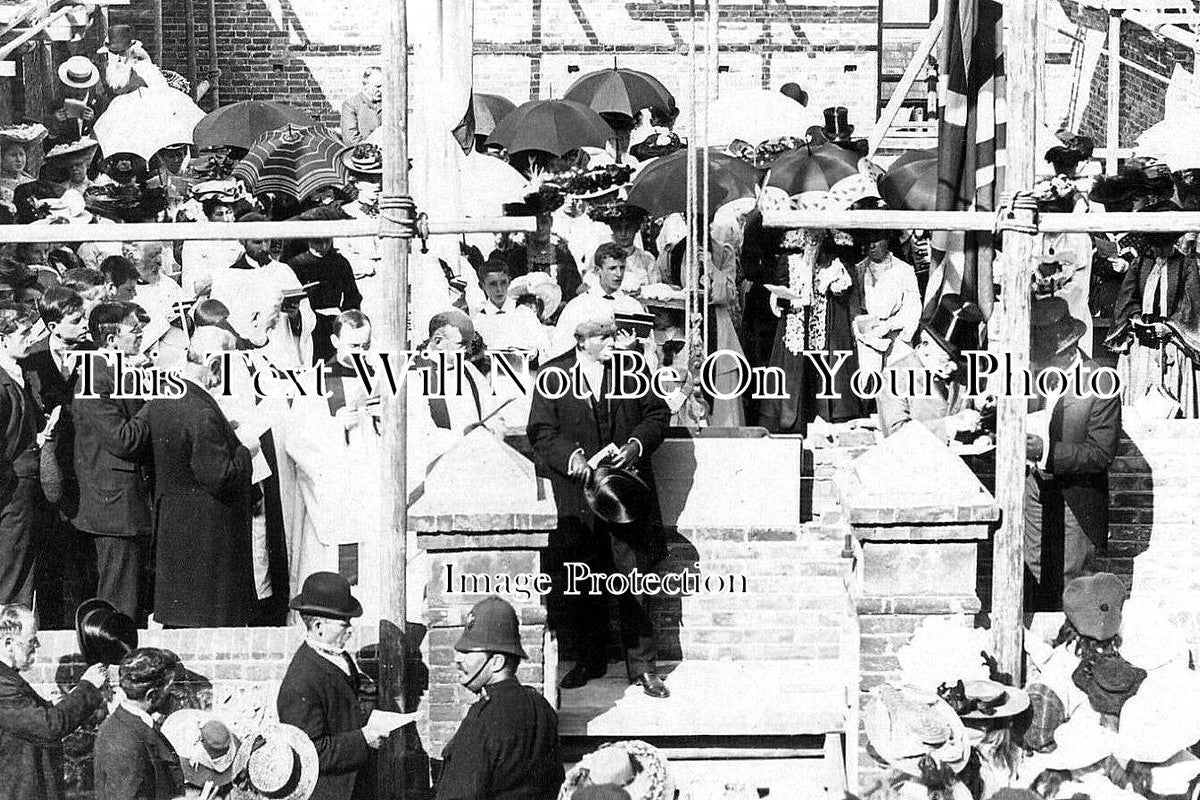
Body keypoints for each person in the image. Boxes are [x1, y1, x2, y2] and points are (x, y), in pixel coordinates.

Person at [528, 317, 671, 698]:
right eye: (602, 337)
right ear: (581, 340)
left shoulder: (633, 368)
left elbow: (657, 415)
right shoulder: (552, 374)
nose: (612, 343)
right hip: (581, 500)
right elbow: (542, 430)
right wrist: (574, 461)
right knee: (583, 580)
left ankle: (643, 667)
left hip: (625, 496)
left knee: (633, 578)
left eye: (611, 336)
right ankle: (588, 660)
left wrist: (635, 446)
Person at [131, 326, 258, 627]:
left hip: (175, 531)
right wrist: (244, 451)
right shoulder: (201, 411)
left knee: (182, 624)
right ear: (214, 365)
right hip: (209, 538)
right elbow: (219, 476)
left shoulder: (162, 399)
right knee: (211, 624)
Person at [1024, 297, 1121, 611]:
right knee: (1033, 569)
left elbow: (1100, 453)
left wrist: (1048, 451)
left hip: (1076, 497)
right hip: (1034, 490)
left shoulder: (1101, 382)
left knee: (1073, 577)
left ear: (1068, 352)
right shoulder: (1031, 376)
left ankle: (1075, 649)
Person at [436, 595, 565, 800]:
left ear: (496, 662)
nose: (458, 660)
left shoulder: (482, 719)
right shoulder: (540, 707)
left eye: (468, 652)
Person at [69, 302, 151, 619]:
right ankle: (113, 662)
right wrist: (154, 402)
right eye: (134, 328)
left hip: (126, 505)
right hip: (114, 508)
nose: (141, 333)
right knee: (119, 600)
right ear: (112, 339)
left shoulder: (119, 371)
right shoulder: (94, 376)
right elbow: (122, 439)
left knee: (126, 596)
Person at [277, 571, 387, 800]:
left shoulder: (340, 657)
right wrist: (363, 739)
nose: (350, 629)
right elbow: (312, 752)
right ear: (318, 626)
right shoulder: (300, 682)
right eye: (343, 623)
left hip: (355, 786)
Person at [0, 603, 108, 800]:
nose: (38, 646)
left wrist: (68, 698)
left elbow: (36, 716)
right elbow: (49, 725)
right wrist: (88, 686)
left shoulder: (7, 678)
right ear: (9, 643)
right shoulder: (2, 684)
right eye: (32, 640)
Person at [1106, 207, 1200, 417]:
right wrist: (1136, 319)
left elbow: (1191, 305)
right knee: (1139, 403)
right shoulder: (1140, 263)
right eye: (1155, 245)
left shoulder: (1186, 264)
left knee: (1171, 402)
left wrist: (1169, 328)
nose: (1158, 250)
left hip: (1173, 345)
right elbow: (1127, 298)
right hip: (1141, 345)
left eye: (1163, 245)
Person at [877, 294, 987, 443]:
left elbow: (975, 418)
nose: (953, 367)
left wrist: (982, 434)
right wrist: (947, 427)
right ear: (926, 343)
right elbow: (896, 434)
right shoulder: (894, 377)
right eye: (947, 357)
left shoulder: (961, 375)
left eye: (957, 360)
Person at [93, 647, 186, 800]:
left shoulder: (134, 723)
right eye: (169, 688)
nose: (172, 693)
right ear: (152, 694)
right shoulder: (124, 740)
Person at [0, 304, 44, 606]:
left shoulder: (20, 374)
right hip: (11, 488)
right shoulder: (3, 382)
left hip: (22, 487)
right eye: (24, 332)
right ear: (2, 339)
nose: (30, 338)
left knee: (20, 565)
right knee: (11, 568)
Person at [551, 244, 646, 358]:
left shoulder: (632, 306)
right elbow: (561, 348)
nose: (619, 274)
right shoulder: (578, 306)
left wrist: (634, 348)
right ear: (597, 270)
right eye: (612, 268)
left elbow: (649, 349)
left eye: (622, 267)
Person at [852, 229, 920, 375]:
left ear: (887, 239)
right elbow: (855, 308)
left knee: (898, 378)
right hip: (869, 336)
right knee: (869, 379)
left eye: (876, 240)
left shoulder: (904, 270)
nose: (872, 246)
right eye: (868, 241)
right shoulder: (860, 270)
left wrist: (890, 325)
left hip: (897, 334)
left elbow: (912, 307)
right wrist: (862, 328)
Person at [286, 237, 362, 364]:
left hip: (334, 321)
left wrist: (346, 319)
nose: (324, 247)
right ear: (308, 240)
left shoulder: (340, 262)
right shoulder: (296, 264)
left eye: (328, 241)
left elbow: (353, 296)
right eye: (318, 242)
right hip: (307, 322)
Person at [340, 66, 383, 144]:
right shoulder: (351, 105)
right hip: (363, 153)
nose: (381, 90)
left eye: (384, 86)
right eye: (378, 86)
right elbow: (351, 139)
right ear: (365, 84)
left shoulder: (389, 105)